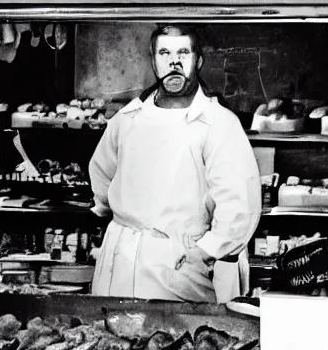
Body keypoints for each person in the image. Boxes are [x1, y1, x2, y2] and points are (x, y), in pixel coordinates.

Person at [88, 24, 262, 304]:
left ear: (198, 61)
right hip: (118, 263)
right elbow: (101, 180)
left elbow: (239, 207)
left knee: (175, 341)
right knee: (113, 340)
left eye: (183, 52)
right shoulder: (127, 119)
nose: (174, 62)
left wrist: (203, 252)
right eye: (165, 53)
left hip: (180, 267)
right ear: (154, 61)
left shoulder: (218, 124)